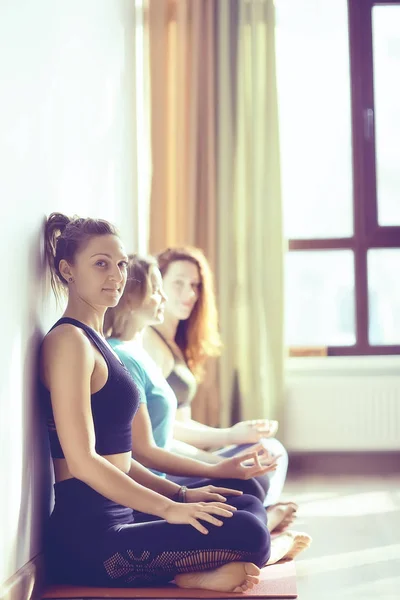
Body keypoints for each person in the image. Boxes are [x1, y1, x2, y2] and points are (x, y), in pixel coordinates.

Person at [39, 213, 274, 592]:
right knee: (250, 532)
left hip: (124, 518)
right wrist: (170, 509)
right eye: (100, 264)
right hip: (88, 541)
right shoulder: (68, 342)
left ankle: (199, 572)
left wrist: (182, 493)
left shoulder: (98, 343)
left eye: (120, 265)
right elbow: (82, 461)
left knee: (245, 506)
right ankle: (195, 575)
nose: (116, 276)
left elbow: (120, 457)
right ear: (67, 270)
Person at [104, 255, 295, 535]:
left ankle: (260, 525)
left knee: (251, 492)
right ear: (131, 300)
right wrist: (218, 466)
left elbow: (163, 433)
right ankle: (267, 529)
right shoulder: (124, 358)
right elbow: (146, 452)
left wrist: (224, 455)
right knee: (250, 504)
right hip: (153, 487)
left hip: (162, 478)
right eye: (158, 290)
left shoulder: (138, 352)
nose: (165, 298)